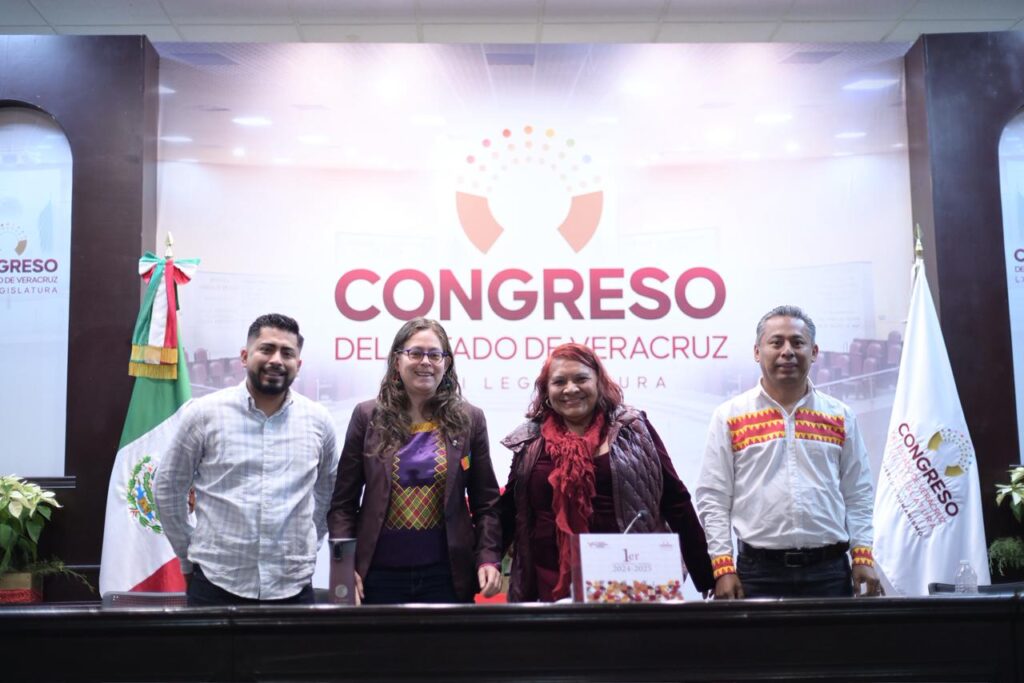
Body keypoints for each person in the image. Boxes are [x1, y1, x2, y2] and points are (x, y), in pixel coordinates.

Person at [500, 343, 715, 602]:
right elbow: (509, 512)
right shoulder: (529, 440)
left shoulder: (634, 428)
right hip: (549, 584)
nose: (571, 389)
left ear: (599, 382)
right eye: (559, 382)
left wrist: (708, 575)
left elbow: (676, 500)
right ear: (546, 390)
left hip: (627, 583)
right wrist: (483, 563)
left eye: (581, 379)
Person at [696, 305, 882, 599]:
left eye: (797, 342)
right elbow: (713, 498)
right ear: (757, 352)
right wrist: (723, 568)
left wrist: (862, 556)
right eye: (776, 342)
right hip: (757, 574)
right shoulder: (730, 416)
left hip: (830, 573)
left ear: (814, 352)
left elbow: (858, 492)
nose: (787, 352)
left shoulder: (840, 416)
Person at [154, 313, 339, 606]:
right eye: (266, 349)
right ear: (244, 356)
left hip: (292, 586)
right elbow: (168, 488)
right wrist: (189, 555)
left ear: (298, 364)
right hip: (216, 583)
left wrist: (308, 546)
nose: (276, 360)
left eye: (287, 353)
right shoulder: (203, 414)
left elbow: (329, 493)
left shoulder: (319, 420)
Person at [328, 318, 502, 604]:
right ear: (397, 361)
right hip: (376, 576)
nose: (426, 362)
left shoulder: (470, 419)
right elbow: (342, 506)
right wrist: (342, 566)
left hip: (447, 576)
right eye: (415, 353)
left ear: (446, 363)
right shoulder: (366, 417)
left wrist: (488, 557)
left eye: (435, 355)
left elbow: (487, 504)